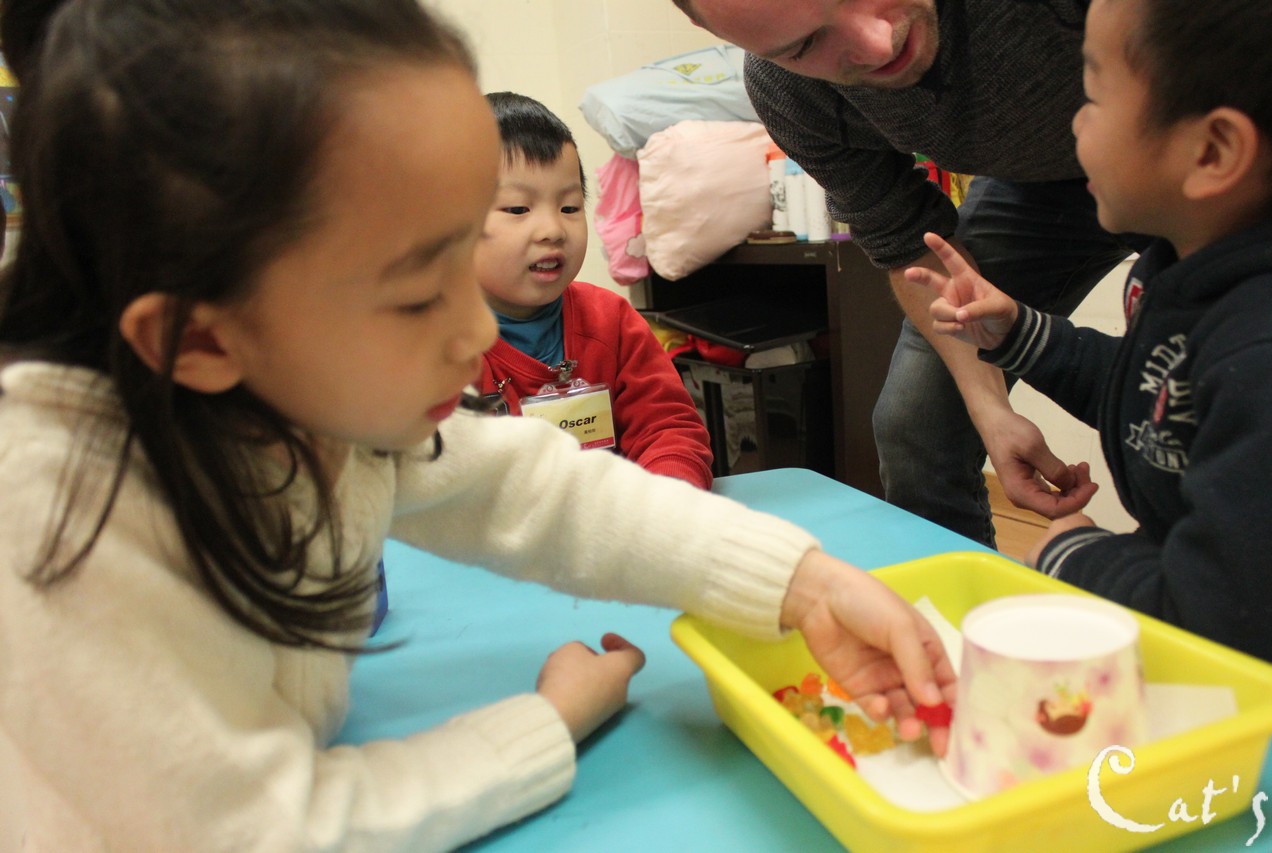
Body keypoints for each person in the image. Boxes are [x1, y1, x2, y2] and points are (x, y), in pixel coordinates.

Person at [0, 0, 957, 849]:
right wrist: (543, 724)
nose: (476, 333)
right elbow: (253, 830)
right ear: (201, 338)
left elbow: (533, 488)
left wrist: (805, 582)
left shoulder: (301, 392)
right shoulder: (63, 521)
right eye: (420, 294)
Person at [672, 0, 1141, 546]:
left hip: (1177, 145)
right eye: (804, 46)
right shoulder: (790, 93)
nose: (878, 43)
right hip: (1035, 184)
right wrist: (989, 409)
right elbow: (906, 239)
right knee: (918, 428)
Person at [907, 0, 1272, 663]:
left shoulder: (1264, 350)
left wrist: (1073, 556)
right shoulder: (1189, 274)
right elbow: (1163, 395)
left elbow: (1225, 619)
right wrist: (1020, 334)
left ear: (1213, 151)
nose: (1073, 120)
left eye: (1094, 95)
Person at [476, 92, 714, 489]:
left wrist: (668, 497)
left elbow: (668, 429)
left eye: (569, 208)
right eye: (518, 209)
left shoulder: (610, 321)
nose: (552, 230)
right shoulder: (430, 344)